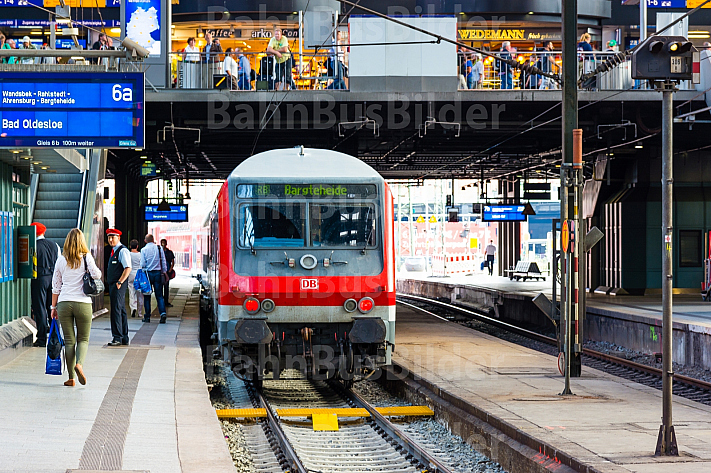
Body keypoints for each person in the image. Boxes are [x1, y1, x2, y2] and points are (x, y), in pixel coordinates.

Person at [51, 228, 102, 387]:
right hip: (83, 303)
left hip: (64, 303)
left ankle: (71, 378)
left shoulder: (61, 259)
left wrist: (53, 307)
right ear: (82, 242)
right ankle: (79, 364)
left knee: (69, 341)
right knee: (83, 339)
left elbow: (56, 287)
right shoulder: (86, 257)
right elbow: (97, 275)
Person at [30, 222, 60, 347]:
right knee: (52, 308)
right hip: (52, 278)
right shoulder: (55, 245)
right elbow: (59, 262)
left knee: (40, 307)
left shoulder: (34, 246)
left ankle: (42, 338)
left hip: (40, 278)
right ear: (44, 232)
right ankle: (56, 337)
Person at [106, 229, 132, 347]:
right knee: (120, 310)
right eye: (109, 237)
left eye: (113, 237)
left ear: (119, 238)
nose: (111, 240)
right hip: (115, 284)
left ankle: (117, 337)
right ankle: (124, 337)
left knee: (116, 310)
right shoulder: (114, 251)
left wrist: (120, 282)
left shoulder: (122, 251)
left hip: (118, 284)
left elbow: (128, 268)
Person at [140, 234, 168, 324]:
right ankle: (162, 313)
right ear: (153, 239)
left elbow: (143, 264)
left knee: (147, 296)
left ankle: (147, 317)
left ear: (145, 241)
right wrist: (164, 272)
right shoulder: (159, 248)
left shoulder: (143, 250)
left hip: (148, 274)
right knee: (159, 295)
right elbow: (163, 261)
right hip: (158, 273)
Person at [127, 239, 145, 320]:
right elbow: (143, 264)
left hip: (130, 274)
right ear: (137, 246)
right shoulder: (140, 255)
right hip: (139, 274)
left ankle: (133, 308)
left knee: (132, 292)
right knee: (140, 294)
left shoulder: (128, 254)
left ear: (130, 246)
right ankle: (140, 312)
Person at [160, 239, 175, 308]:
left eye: (164, 244)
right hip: (160, 271)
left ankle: (166, 301)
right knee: (160, 287)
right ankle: (161, 301)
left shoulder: (169, 252)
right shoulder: (159, 252)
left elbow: (172, 261)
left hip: (167, 271)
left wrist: (170, 269)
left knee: (166, 287)